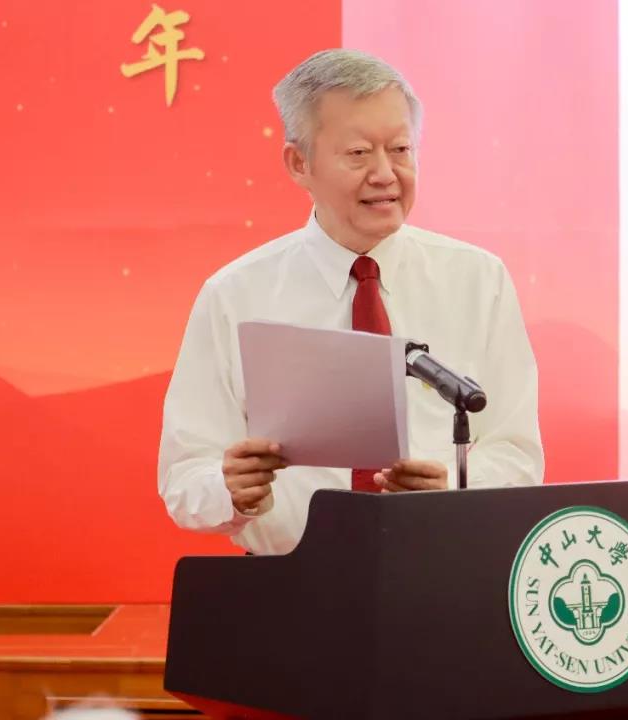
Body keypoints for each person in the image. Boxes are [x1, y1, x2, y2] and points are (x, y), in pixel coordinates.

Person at [158, 49, 544, 555]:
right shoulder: (235, 295)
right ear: (300, 163)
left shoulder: (478, 280)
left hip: (443, 570)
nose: (385, 173)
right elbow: (185, 475)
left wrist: (451, 486)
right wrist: (230, 491)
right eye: (359, 153)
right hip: (290, 579)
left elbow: (518, 455)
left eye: (400, 149)